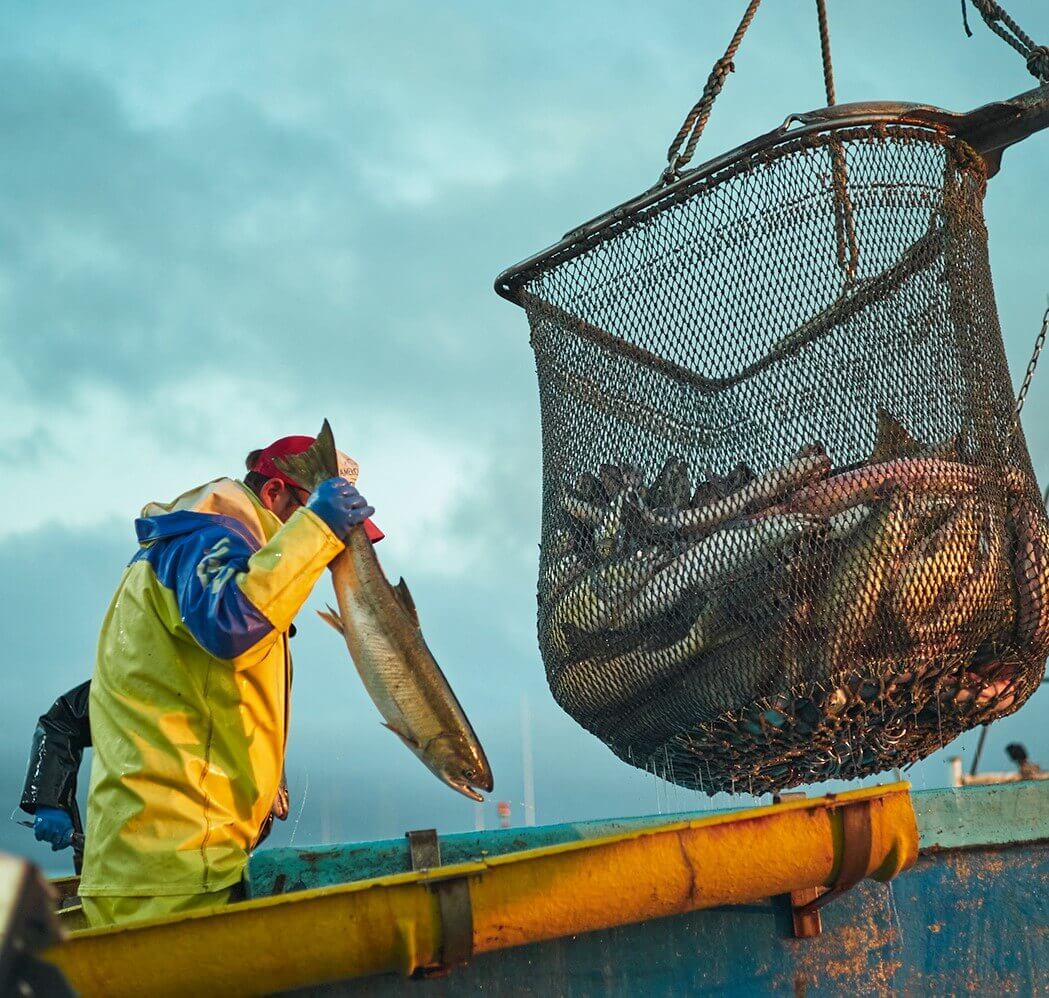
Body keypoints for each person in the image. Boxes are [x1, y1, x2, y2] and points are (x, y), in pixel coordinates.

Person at [77, 434, 379, 928]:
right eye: (320, 522)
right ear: (274, 495)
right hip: (172, 877)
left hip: (175, 869)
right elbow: (230, 622)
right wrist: (316, 528)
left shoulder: (227, 555)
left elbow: (208, 690)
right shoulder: (203, 537)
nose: (333, 550)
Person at [20, 682, 91, 868]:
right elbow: (61, 723)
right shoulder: (144, 674)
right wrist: (51, 800)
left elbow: (61, 722)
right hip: (125, 864)